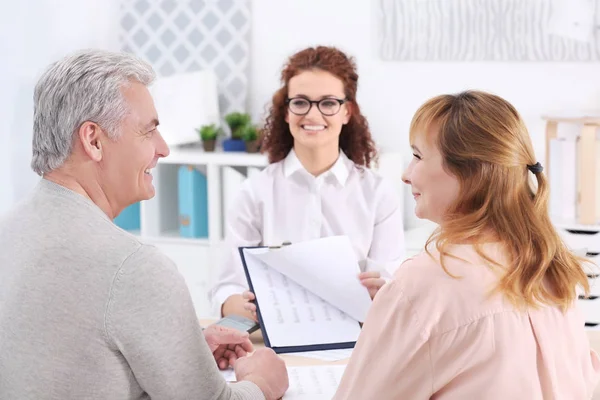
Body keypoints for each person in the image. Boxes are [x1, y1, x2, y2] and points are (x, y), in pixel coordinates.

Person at [0, 49, 288, 400]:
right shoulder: (132, 267)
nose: (163, 148)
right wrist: (260, 382)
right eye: (148, 131)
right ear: (93, 140)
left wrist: (180, 351)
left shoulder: (9, 232)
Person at [333, 90, 600, 399]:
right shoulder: (549, 267)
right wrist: (403, 308)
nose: (407, 175)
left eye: (418, 156)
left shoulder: (428, 281)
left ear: (469, 174)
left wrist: (406, 305)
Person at [211, 46, 406, 320]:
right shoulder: (255, 193)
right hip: (275, 340)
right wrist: (242, 306)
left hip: (359, 344)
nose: (313, 115)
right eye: (300, 102)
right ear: (287, 112)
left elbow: (390, 283)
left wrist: (382, 291)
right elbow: (226, 287)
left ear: (347, 112)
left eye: (328, 103)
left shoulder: (377, 194)